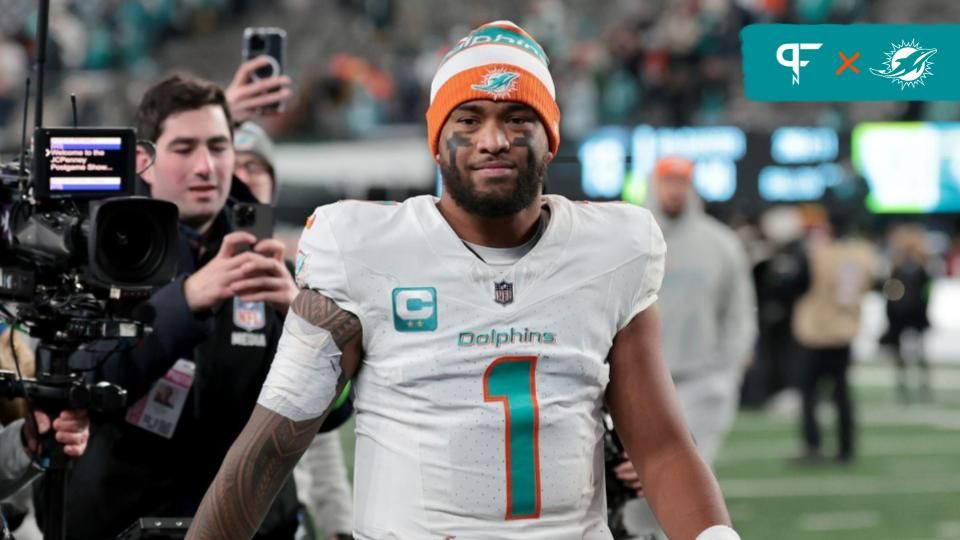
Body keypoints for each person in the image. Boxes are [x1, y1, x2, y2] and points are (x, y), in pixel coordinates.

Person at [189, 21, 740, 540]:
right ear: (436, 139)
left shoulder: (613, 250)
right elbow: (271, 446)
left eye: (518, 118)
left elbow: (663, 446)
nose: (493, 140)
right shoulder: (360, 247)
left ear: (550, 137)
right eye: (469, 119)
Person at [52, 73, 347, 540]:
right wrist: (183, 302)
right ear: (144, 161)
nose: (207, 167)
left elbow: (332, 416)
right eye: (185, 149)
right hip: (117, 524)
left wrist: (306, 325)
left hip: (245, 526)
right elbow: (74, 384)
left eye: (218, 146)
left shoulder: (272, 261)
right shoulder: (98, 250)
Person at [620, 156, 757, 538]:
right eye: (667, 181)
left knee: (689, 479)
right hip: (639, 382)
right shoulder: (628, 239)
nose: (674, 190)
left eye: (681, 182)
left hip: (700, 379)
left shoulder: (720, 243)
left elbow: (739, 310)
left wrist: (727, 369)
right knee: (632, 487)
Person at [233, 121, 355, 540]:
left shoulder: (299, 285)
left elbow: (320, 424)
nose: (243, 177)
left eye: (255, 167)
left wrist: (339, 525)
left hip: (278, 520)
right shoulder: (180, 277)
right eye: (233, 166)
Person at [791, 214, 875, 464]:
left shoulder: (818, 254)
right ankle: (846, 446)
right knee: (842, 394)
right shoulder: (863, 254)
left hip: (817, 331)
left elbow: (797, 286)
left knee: (809, 394)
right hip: (844, 330)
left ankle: (813, 444)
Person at [880, 224, 932, 403]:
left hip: (912, 313)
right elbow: (891, 289)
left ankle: (921, 385)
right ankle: (906, 386)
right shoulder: (900, 266)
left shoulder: (918, 267)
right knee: (904, 353)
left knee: (917, 352)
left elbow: (925, 291)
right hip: (903, 313)